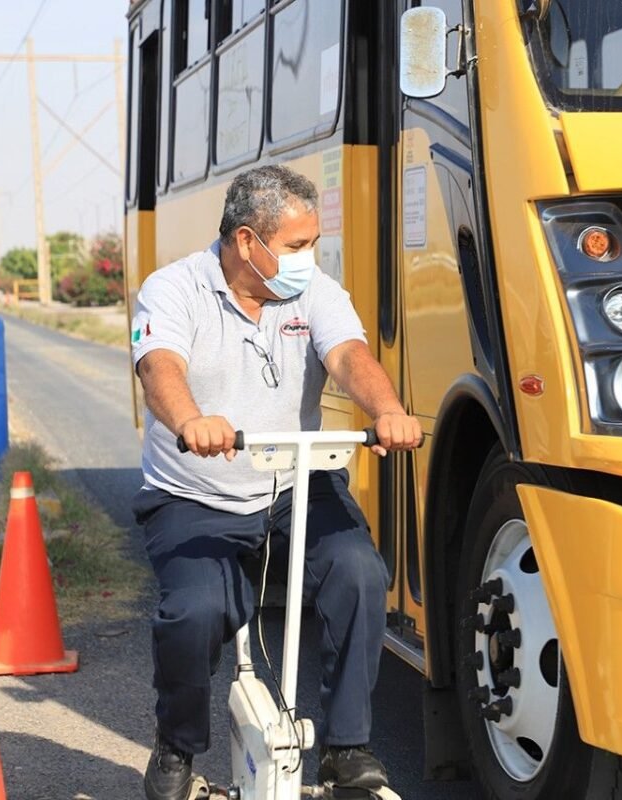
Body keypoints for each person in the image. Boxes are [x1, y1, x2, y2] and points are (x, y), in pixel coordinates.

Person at [130, 165, 423, 800]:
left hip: (295, 484)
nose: (308, 257)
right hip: (196, 489)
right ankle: (176, 746)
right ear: (245, 242)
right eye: (295, 245)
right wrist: (191, 420)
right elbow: (159, 367)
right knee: (196, 611)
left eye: (312, 243)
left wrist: (388, 411)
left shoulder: (313, 290)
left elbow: (349, 356)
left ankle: (347, 749)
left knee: (359, 573)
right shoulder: (173, 288)